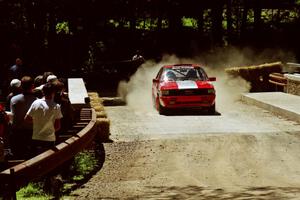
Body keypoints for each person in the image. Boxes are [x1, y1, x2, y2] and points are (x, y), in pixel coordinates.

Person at [25, 82, 63, 156]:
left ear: (43, 92)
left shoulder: (35, 103)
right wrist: (48, 127)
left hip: (36, 137)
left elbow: (27, 119)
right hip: (49, 139)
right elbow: (57, 126)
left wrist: (38, 122)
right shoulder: (56, 106)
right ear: (53, 93)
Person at [10, 76, 37, 159]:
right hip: (32, 132)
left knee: (18, 156)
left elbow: (12, 116)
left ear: (21, 86)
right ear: (32, 86)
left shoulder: (14, 100)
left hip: (18, 132)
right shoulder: (37, 101)